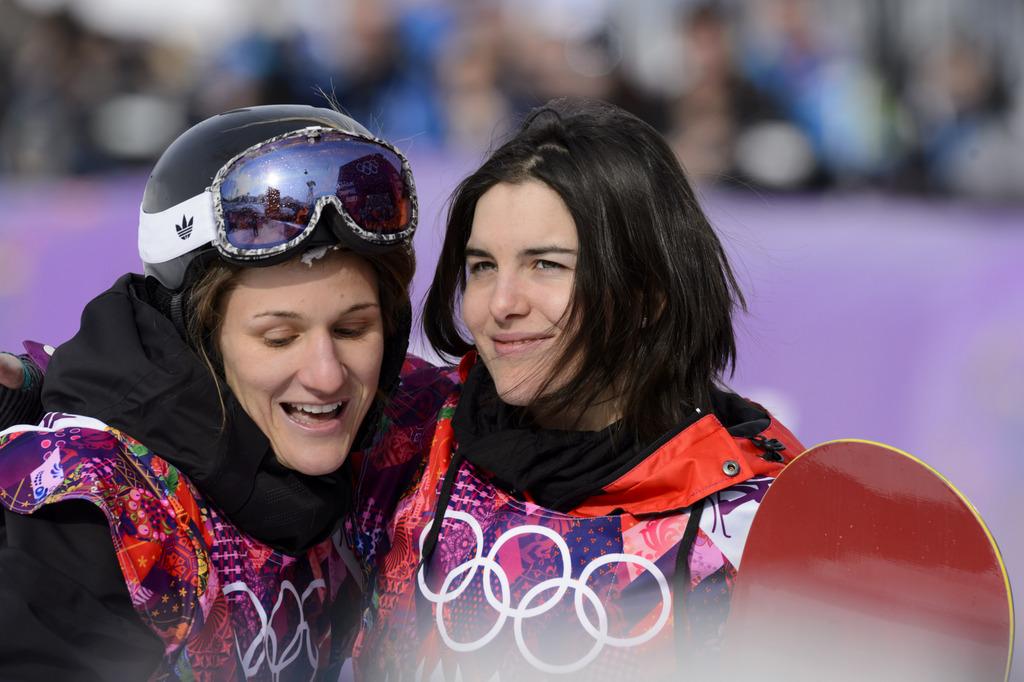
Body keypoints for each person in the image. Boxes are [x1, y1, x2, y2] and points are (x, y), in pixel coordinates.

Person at [347, 97, 803, 681]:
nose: (502, 305)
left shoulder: (756, 518)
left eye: (546, 265)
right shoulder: (402, 431)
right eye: (482, 266)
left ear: (647, 296)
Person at [0, 104, 435, 680]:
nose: (327, 375)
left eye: (354, 329)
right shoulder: (97, 510)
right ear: (201, 340)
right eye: (279, 338)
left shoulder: (403, 425)